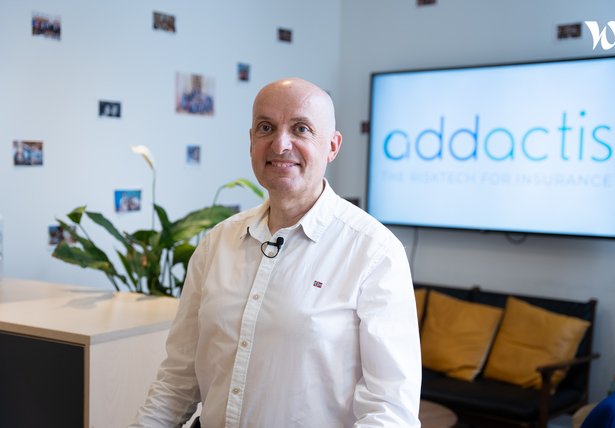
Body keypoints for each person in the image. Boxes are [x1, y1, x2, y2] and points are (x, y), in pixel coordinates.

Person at [131, 78, 421, 427]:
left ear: (332, 146)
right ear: (251, 141)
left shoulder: (374, 253)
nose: (281, 145)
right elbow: (177, 382)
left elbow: (390, 412)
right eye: (266, 128)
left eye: (301, 129)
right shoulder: (216, 244)